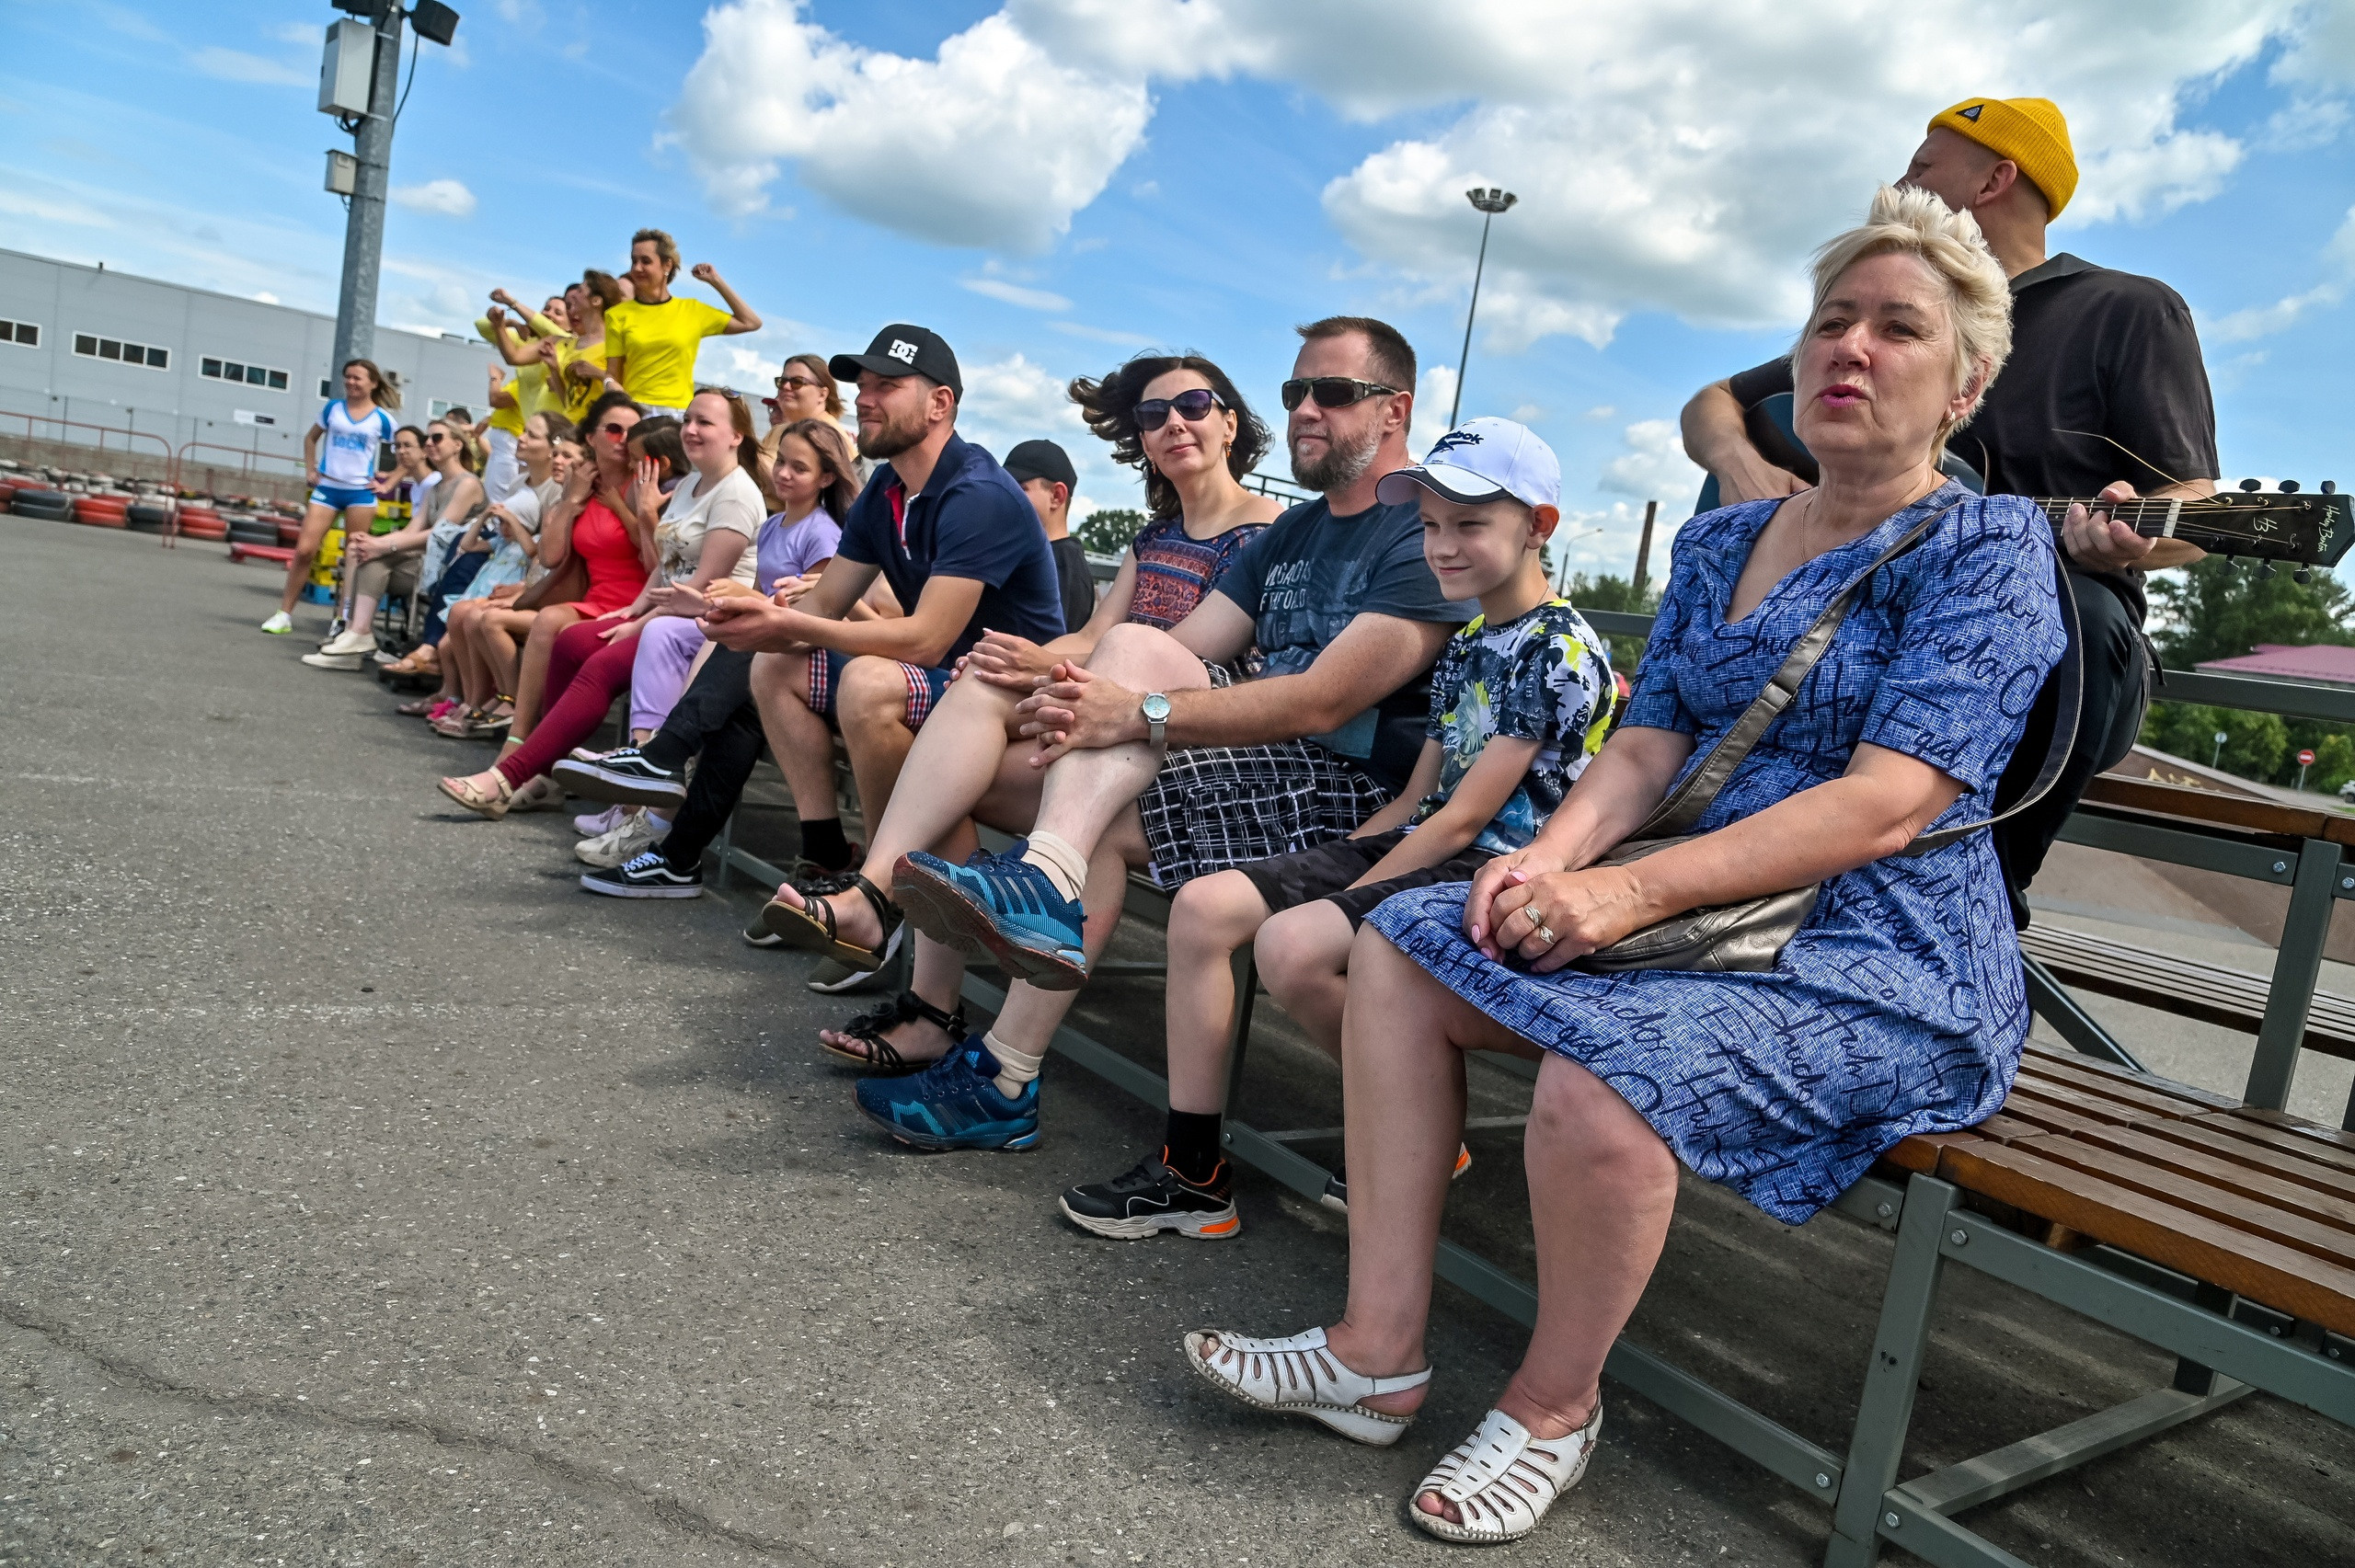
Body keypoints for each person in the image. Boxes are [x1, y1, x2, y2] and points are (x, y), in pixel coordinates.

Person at [1187, 187, 2063, 1547]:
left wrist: (1624, 891)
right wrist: (1545, 855)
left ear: (1968, 384)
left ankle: (1552, 1407)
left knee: (1609, 1073)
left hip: (1876, 947)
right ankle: (1376, 1351)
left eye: (1900, 329)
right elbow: (1645, 749)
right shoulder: (1723, 538)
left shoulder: (1991, 550)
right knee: (1407, 945)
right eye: (1833, 319)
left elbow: (1891, 805)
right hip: (1700, 911)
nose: (1853, 349)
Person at [797, 316, 1465, 1151]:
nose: (1304, 410)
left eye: (1331, 393)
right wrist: (1075, 691)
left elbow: (1322, 704)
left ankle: (1016, 932)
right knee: (1018, 692)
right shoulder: (1294, 533)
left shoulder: (1425, 528)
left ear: (1395, 410)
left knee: (1114, 701)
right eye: (1297, 392)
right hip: (1252, 764)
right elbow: (1184, 650)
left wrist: (1131, 709)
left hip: (1349, 791)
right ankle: (969, 1019)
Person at [1060, 418, 1614, 1238]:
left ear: (1538, 528)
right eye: (1429, 525)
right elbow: (1422, 797)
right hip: (1422, 843)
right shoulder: (1467, 644)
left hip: (1499, 869)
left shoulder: (1558, 648)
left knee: (1292, 945)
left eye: (1469, 523)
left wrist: (1348, 892)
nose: (1443, 546)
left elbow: (1466, 820)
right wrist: (1345, 858)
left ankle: (1417, 1125)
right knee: (1205, 908)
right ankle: (1195, 1170)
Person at [1680, 95, 2217, 927]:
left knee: (2074, 604)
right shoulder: (1877, 310)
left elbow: (2197, 503)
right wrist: (1741, 462)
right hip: (1869, 604)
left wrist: (2125, 541)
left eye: (1923, 165)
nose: (1902, 180)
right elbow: (1713, 401)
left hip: (2044, 629)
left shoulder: (2126, 308)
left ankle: (1985, 901)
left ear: (1997, 176)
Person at [740, 350, 1281, 1061]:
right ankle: (917, 981)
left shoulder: (1268, 531)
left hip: (1189, 742)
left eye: (1193, 407)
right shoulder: (1154, 537)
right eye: (1154, 415)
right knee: (948, 770)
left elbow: (1168, 654)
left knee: (954, 750)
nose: (1173, 423)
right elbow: (1093, 637)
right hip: (1108, 732)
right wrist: (1011, 654)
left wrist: (1038, 664)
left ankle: (887, 920)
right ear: (1142, 438)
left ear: (1230, 424)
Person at [572, 326, 1063, 906]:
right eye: (861, 385)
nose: (864, 397)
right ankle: (824, 851)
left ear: (940, 403)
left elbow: (928, 641)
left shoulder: (978, 492)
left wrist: (786, 624)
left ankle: (880, 894)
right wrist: (756, 612)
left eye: (886, 385)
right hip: (944, 681)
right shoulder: (888, 485)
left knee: (864, 678)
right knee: (772, 664)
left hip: (1009, 690)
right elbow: (823, 603)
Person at [437, 387, 762, 817]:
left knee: (600, 663)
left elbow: (696, 592)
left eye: (705, 423)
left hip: (702, 624)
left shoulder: (736, 495)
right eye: (688, 420)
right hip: (664, 611)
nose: (691, 430)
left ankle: (506, 777)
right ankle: (546, 775)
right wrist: (631, 610)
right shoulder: (691, 485)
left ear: (737, 436)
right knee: (572, 642)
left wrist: (638, 621)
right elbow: (664, 569)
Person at [567, 418, 861, 880]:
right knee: (734, 724)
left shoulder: (823, 533)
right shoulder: (772, 526)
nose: (783, 473)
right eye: (781, 461)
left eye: (798, 468)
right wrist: (706, 604)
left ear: (826, 478)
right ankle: (678, 858)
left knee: (746, 645)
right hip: (779, 653)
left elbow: (815, 615)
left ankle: (662, 756)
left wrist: (738, 607)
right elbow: (767, 606)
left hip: (810, 654)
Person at [304, 418, 484, 670]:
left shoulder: (467, 484)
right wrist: (373, 542)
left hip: (451, 567)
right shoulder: (436, 488)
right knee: (364, 552)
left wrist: (382, 546)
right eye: (428, 439)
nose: (430, 444)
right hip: (430, 562)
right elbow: (412, 530)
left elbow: (439, 535)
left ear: (457, 445)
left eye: (437, 438)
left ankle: (355, 633)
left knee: (374, 555)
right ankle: (355, 633)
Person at [266, 359, 398, 638]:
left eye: (357, 378)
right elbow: (310, 439)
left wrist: (389, 482)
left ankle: (342, 618)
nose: (351, 382)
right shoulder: (332, 409)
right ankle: (284, 614)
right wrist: (311, 469)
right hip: (327, 488)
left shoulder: (382, 419)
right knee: (304, 550)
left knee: (352, 558)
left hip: (360, 493)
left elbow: (407, 452)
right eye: (347, 377)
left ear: (373, 383)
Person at [601, 230, 760, 418]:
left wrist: (715, 281)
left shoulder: (692, 310)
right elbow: (613, 374)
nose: (637, 268)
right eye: (634, 261)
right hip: (635, 410)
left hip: (678, 414)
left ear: (667, 264)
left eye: (646, 261)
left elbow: (750, 322)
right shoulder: (617, 315)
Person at [1004, 439, 1096, 635]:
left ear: (1057, 496)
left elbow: (1050, 649)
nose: (1005, 496)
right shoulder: (1060, 558)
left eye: (1020, 488)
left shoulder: (1062, 564)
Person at [759, 352, 856, 468]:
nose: (786, 386)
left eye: (797, 382)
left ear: (822, 394)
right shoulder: (778, 431)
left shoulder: (831, 437)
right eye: (782, 381)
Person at [556, 271, 625, 426]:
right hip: (569, 426)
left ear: (596, 301)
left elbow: (623, 394)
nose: (573, 296)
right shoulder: (573, 344)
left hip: (594, 429)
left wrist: (598, 373)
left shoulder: (613, 344)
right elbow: (570, 398)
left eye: (581, 291)